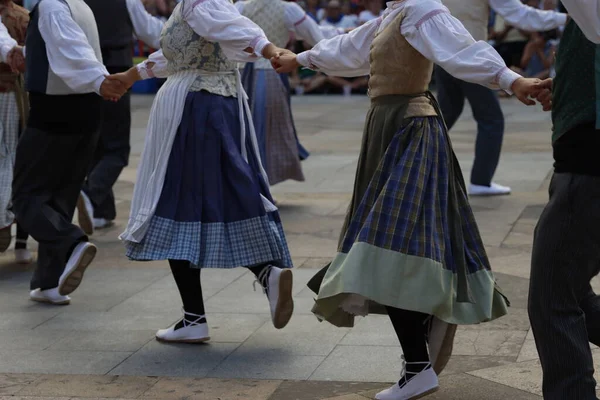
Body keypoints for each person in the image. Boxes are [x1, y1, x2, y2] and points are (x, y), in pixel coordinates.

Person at [273, 1, 544, 399]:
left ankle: (418, 365)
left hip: (410, 130)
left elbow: (461, 49)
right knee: (394, 247)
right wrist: (300, 58)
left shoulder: (420, 8)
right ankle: (420, 349)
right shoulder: (394, 13)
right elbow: (350, 48)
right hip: (391, 126)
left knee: (388, 248)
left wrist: (510, 79)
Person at [109, 0, 294, 344]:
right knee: (222, 193)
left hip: (195, 108)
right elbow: (180, 55)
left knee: (177, 201)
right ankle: (257, 278)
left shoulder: (199, 3)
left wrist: (268, 48)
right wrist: (131, 75)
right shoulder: (194, 7)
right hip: (213, 103)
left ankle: (202, 312)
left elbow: (233, 28)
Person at [12, 0, 127, 305]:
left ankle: (71, 241)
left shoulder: (51, 6)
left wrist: (102, 81)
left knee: (26, 197)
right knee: (58, 198)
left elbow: (70, 49)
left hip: (54, 114)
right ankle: (48, 283)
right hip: (86, 114)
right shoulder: (77, 4)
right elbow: (65, 49)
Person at [528, 1, 600, 399]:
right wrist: (570, 82)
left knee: (553, 299)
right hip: (583, 163)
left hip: (589, 167)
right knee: (568, 286)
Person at [437, 0, 566, 196]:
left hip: (442, 56)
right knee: (491, 119)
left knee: (444, 115)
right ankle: (481, 181)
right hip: (471, 57)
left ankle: (406, 161)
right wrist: (566, 18)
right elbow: (519, 14)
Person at [77, 0, 164, 234]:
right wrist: (177, 36)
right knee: (116, 149)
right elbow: (148, 30)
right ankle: (89, 193)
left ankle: (102, 212)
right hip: (116, 73)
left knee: (97, 142)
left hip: (86, 73)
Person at [236, 0, 336, 187]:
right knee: (266, 130)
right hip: (270, 72)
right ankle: (259, 185)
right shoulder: (288, 9)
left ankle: (251, 185)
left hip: (242, 73)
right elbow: (317, 35)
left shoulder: (241, 6)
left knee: (246, 130)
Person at [0, 4, 32, 264]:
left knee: (11, 158)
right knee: (18, 159)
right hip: (17, 96)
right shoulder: (23, 17)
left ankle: (9, 229)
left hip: (12, 96)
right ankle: (20, 240)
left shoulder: (22, 17)